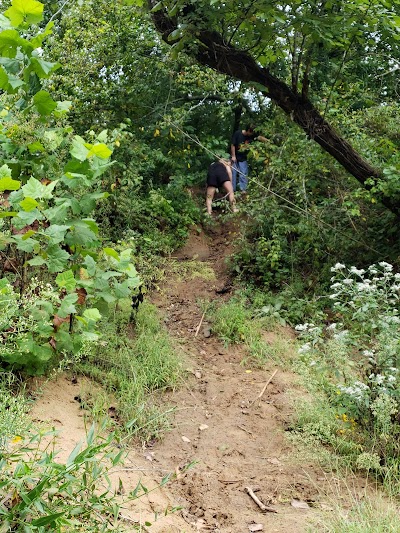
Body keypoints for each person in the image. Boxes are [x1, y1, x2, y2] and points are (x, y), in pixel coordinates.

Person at [230, 124, 267, 193]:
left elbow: (259, 137)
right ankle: (232, 190)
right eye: (251, 132)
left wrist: (268, 141)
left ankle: (243, 190)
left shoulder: (251, 135)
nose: (252, 134)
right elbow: (233, 145)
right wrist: (233, 156)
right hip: (235, 156)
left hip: (243, 157)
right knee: (233, 173)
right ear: (248, 131)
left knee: (243, 173)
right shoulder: (238, 133)